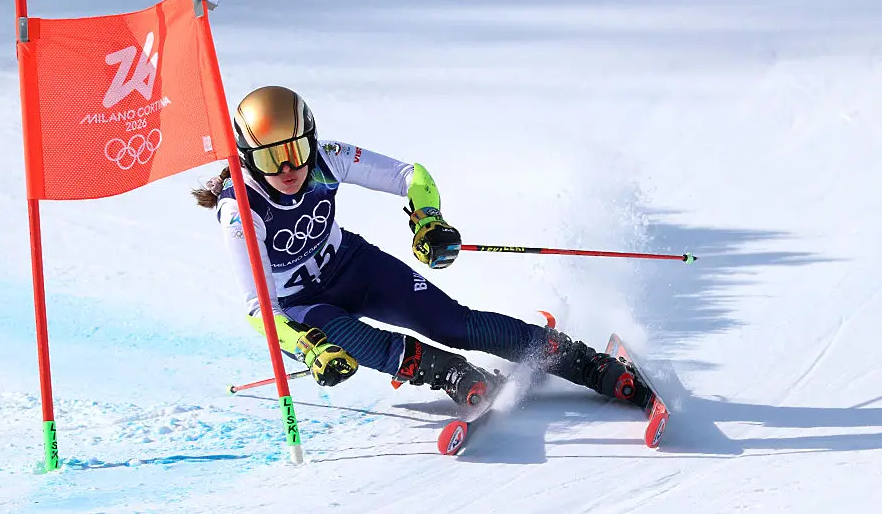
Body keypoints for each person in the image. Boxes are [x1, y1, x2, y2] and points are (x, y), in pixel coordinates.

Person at [194, 85, 651, 410]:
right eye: (270, 157)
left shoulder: (326, 158)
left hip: (352, 267)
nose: (288, 168)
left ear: (311, 139)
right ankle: (451, 373)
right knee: (358, 342)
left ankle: (584, 362)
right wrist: (306, 346)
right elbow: (259, 309)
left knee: (453, 323)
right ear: (247, 158)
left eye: (296, 149)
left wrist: (428, 219)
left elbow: (409, 175)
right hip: (300, 306)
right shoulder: (240, 210)